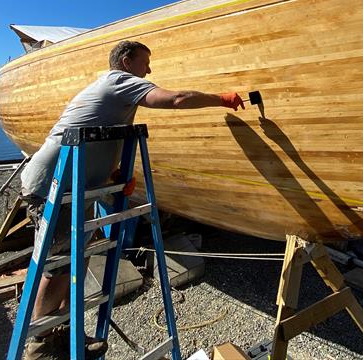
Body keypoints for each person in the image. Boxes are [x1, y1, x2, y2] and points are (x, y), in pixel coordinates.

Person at [19, 40, 244, 360]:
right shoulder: (118, 81)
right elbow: (176, 99)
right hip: (53, 187)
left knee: (76, 263)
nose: (149, 70)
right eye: (145, 62)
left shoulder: (117, 94)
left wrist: (112, 179)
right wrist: (222, 98)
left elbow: (102, 136)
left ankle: (68, 334)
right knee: (59, 267)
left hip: (78, 188)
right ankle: (38, 344)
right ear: (126, 61)